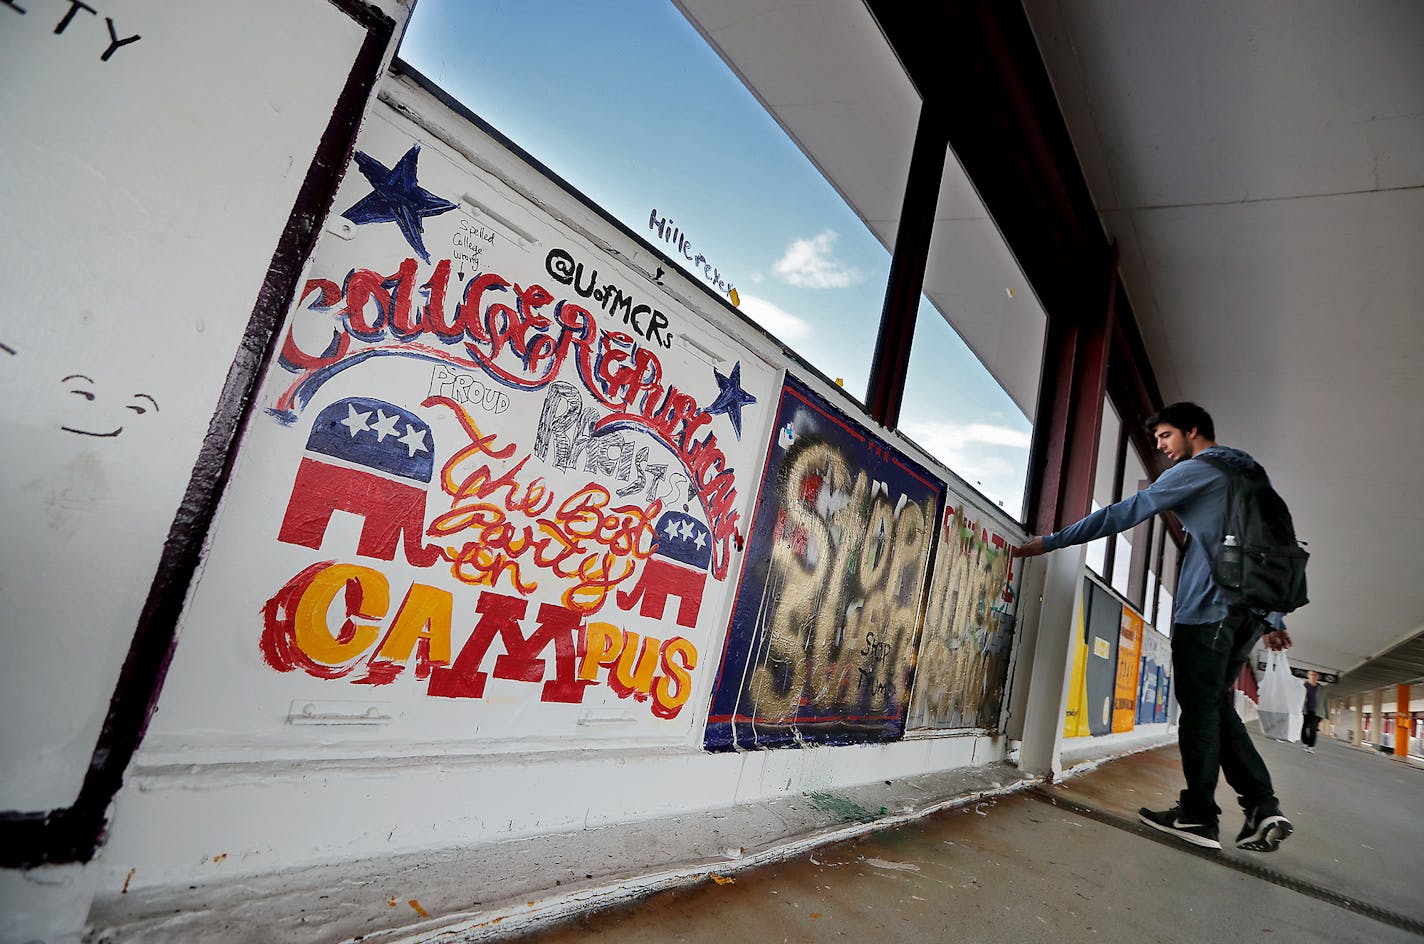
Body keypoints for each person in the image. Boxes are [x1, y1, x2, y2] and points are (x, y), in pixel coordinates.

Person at [1017, 402, 1294, 853]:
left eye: (1166, 436)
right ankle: (1262, 806)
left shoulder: (1199, 469)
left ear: (1193, 430)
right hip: (1250, 613)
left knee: (1200, 710)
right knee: (1214, 706)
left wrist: (1052, 541)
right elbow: (1273, 546)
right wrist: (1274, 617)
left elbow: (1127, 512)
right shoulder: (1249, 474)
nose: (1162, 447)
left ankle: (1199, 815)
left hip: (1209, 609)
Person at [1301, 670, 1326, 752]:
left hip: (1317, 712)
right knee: (1303, 728)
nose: (1313, 676)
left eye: (1315, 675)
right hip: (1305, 711)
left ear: (1318, 677)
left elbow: (1325, 701)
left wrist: (1326, 714)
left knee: (1313, 729)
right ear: (1308, 676)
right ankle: (1305, 742)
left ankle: (1311, 746)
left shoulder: (1322, 689)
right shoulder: (1302, 687)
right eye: (1311, 674)